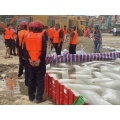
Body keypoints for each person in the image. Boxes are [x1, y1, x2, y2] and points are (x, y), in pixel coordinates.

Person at [24, 20, 47, 103]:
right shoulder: (42, 36)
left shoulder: (27, 36)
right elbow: (44, 50)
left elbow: (25, 50)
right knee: (40, 80)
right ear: (40, 28)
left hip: (30, 62)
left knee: (31, 79)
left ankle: (31, 97)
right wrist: (39, 60)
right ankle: (39, 98)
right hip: (39, 62)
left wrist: (29, 59)